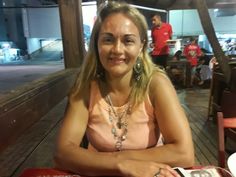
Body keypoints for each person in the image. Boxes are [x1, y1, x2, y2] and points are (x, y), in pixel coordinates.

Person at [54, 2, 194, 177]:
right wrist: (122, 164)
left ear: (141, 46)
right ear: (96, 43)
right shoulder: (84, 87)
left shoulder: (156, 84)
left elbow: (184, 153)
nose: (117, 49)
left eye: (128, 40)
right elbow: (62, 153)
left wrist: (119, 162)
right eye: (108, 39)